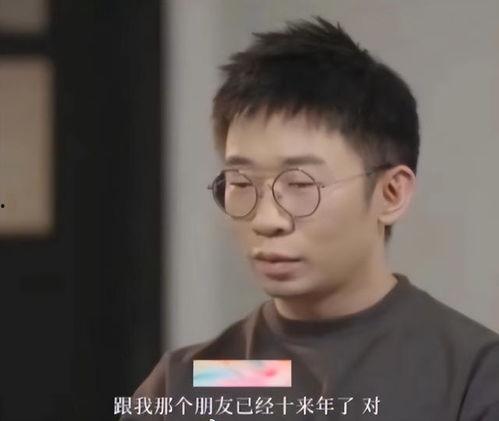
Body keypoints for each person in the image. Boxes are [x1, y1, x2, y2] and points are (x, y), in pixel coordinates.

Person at [119, 16, 499, 421]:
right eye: (241, 182)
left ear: (391, 193)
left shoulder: (472, 377)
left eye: (300, 184)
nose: (267, 220)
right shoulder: (185, 385)